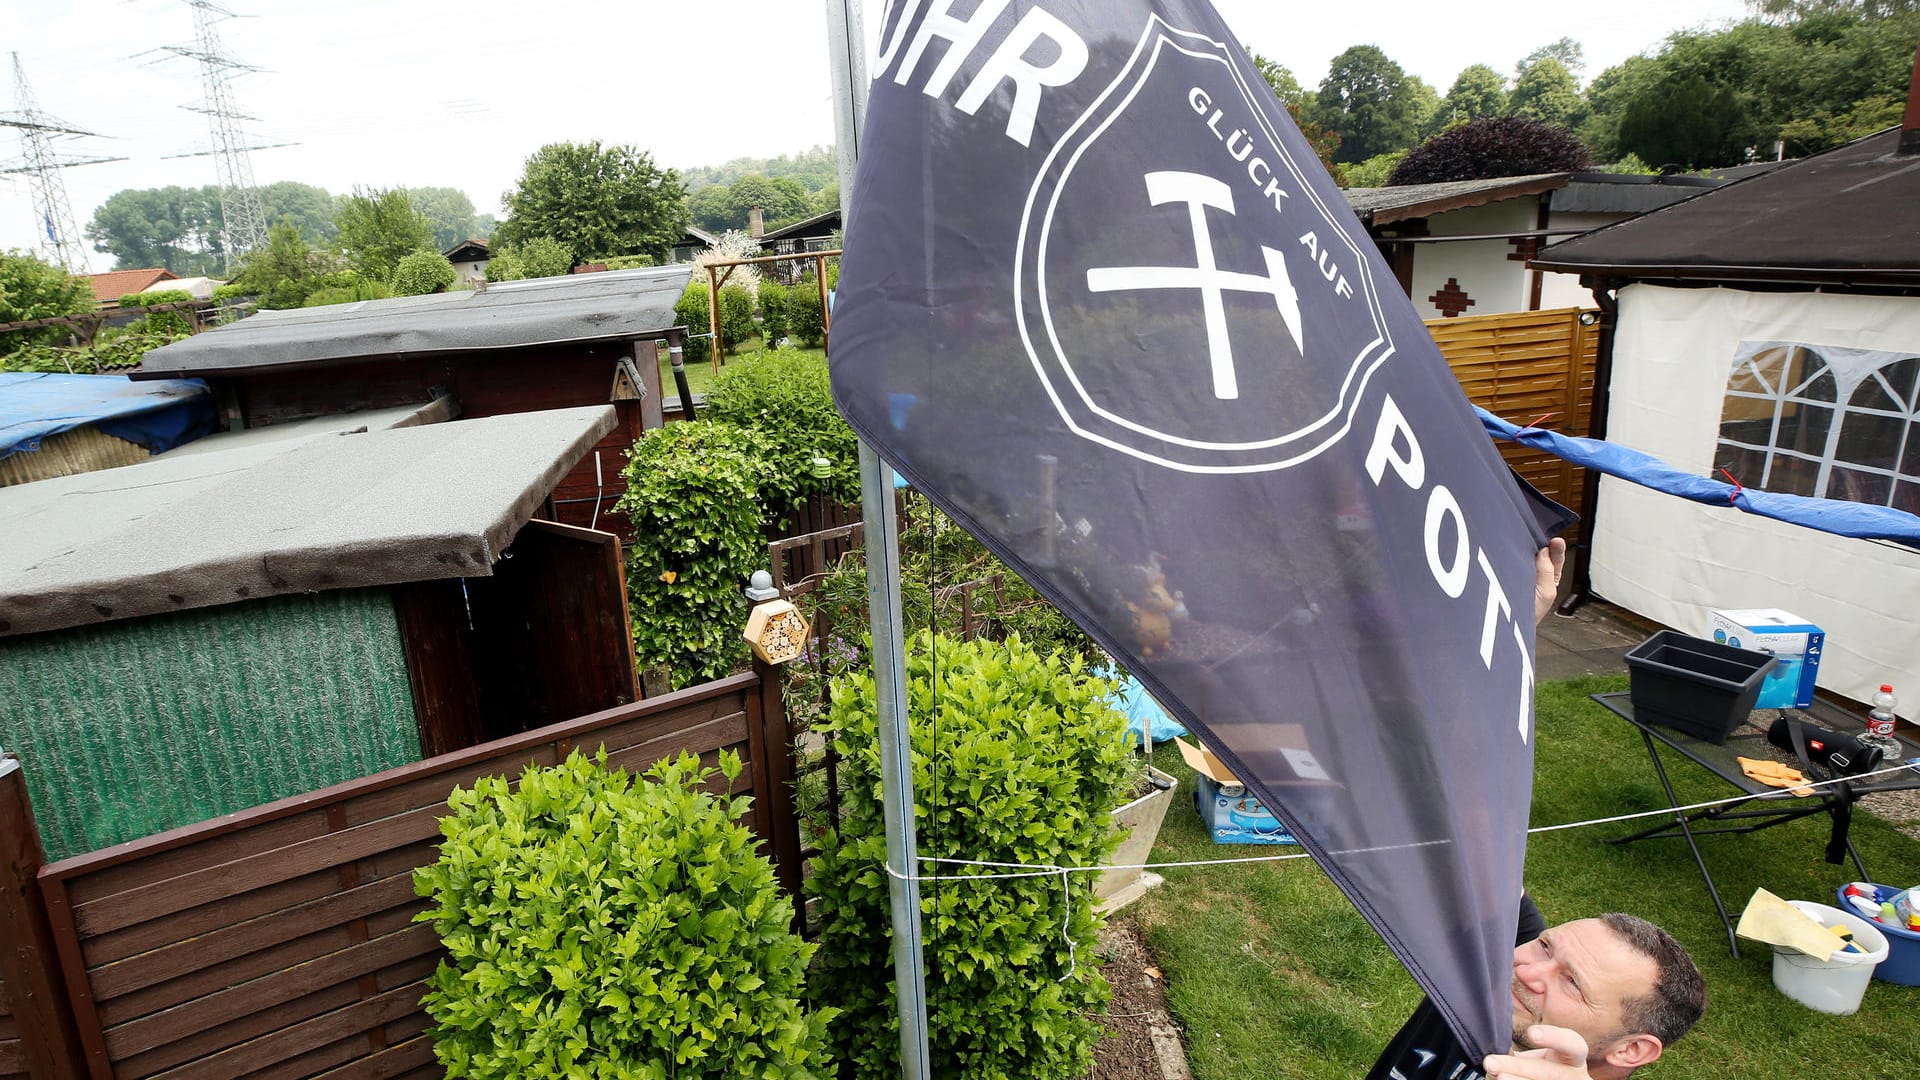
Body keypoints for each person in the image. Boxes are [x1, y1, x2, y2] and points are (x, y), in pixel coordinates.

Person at [1369, 897, 1706, 1080]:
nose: (1526, 971)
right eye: (1546, 946)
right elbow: (1463, 834)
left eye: (1572, 982)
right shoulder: (1504, 959)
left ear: (1631, 1050)